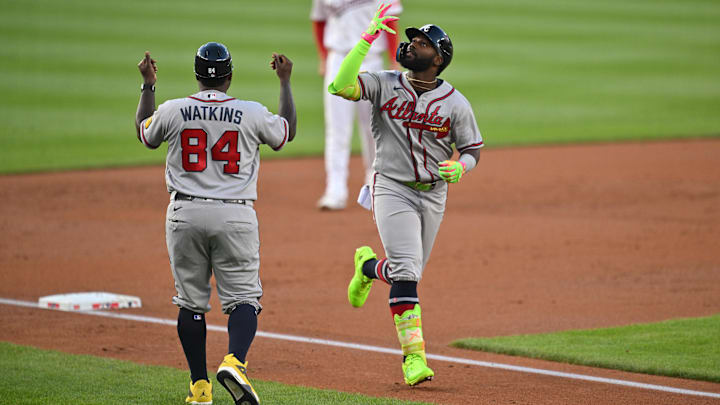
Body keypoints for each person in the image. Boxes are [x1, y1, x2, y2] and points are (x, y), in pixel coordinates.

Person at [329, 5, 483, 386]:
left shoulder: (455, 103)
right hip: (391, 187)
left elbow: (472, 149)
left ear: (439, 58)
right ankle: (414, 358)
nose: (411, 45)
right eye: (412, 40)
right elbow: (340, 86)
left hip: (433, 195)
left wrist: (462, 167)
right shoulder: (384, 83)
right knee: (408, 273)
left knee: (406, 271)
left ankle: (366, 268)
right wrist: (365, 40)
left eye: (422, 43)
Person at [135, 42, 296, 405]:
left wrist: (148, 84)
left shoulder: (174, 110)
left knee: (190, 303)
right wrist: (284, 81)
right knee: (244, 299)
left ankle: (200, 389)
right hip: (235, 215)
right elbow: (287, 131)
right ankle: (235, 362)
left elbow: (144, 134)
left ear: (196, 75)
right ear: (230, 76)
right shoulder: (251, 112)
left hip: (184, 214)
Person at [311, 0, 403, 210]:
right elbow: (319, 20)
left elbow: (390, 20)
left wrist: (393, 59)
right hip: (338, 59)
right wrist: (323, 58)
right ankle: (335, 191)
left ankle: (375, 185)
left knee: (374, 128)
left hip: (372, 60)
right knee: (337, 128)